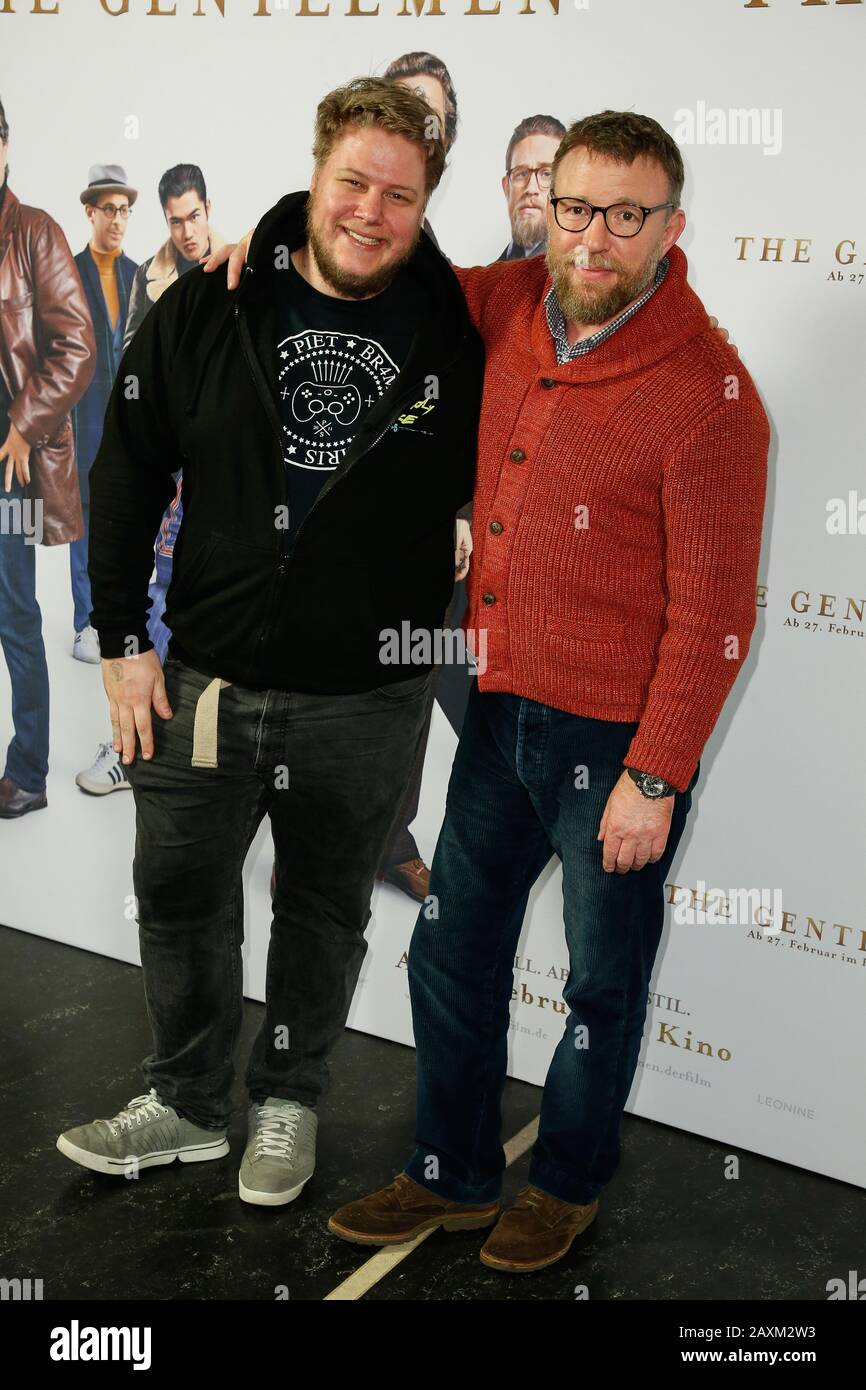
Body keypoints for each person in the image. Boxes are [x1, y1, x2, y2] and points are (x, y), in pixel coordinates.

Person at [321, 109, 769, 1272]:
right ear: (546, 205)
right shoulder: (510, 301)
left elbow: (715, 617)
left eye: (627, 215)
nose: (593, 239)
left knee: (598, 983)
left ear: (670, 227)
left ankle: (563, 1183)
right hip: (497, 709)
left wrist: (654, 777)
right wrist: (264, 244)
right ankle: (453, 1175)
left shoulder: (712, 399)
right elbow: (388, 266)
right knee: (448, 952)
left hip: (615, 744)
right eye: (575, 207)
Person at [55, 79, 485, 1213]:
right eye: (351, 182)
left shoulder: (468, 325)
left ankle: (288, 1095)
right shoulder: (211, 301)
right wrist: (120, 640)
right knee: (181, 894)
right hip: (202, 675)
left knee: (324, 906)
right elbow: (125, 469)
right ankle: (188, 1103)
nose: (369, 211)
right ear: (315, 171)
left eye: (398, 193)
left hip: (369, 692)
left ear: (426, 202)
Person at [75, 165, 222, 796]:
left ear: (208, 210)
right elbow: (133, 374)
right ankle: (126, 748)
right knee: (153, 598)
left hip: (220, 480)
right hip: (167, 471)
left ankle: (207, 759)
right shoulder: (149, 279)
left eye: (194, 216)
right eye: (174, 220)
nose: (186, 231)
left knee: (211, 613)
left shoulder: (243, 270)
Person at [0, 94, 95, 820]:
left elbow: (77, 345)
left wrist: (25, 428)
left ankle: (27, 771)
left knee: (14, 612)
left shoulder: (34, 232)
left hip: (12, 464)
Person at [70, 165, 138, 666]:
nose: (117, 219)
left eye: (124, 210)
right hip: (82, 422)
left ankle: (125, 623)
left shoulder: (142, 275)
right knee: (84, 526)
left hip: (131, 428)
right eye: (109, 209)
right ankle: (84, 624)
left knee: (130, 525)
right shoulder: (66, 275)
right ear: (89, 211)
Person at [497, 114, 565, 262]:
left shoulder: (585, 273)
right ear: (506, 188)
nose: (531, 188)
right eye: (521, 173)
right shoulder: (484, 281)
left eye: (546, 173)